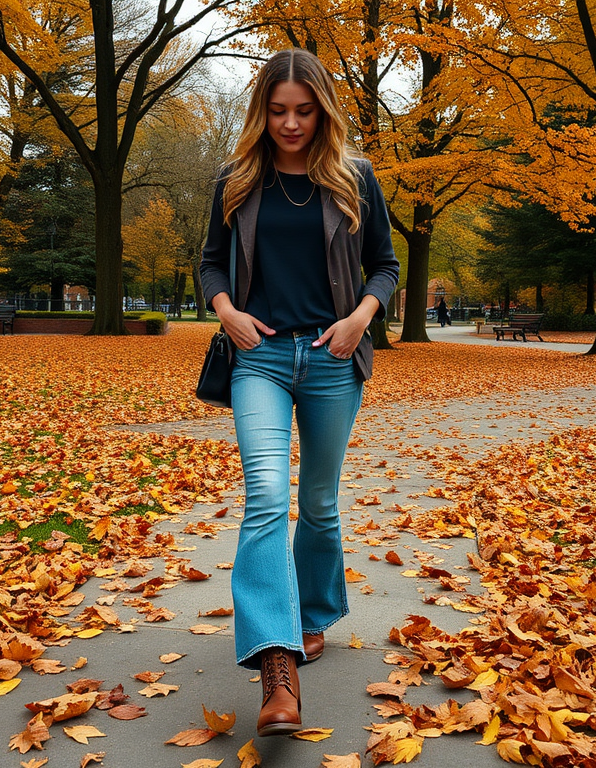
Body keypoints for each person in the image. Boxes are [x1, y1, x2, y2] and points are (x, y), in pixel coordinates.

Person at [199, 49, 399, 737]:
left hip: (332, 356)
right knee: (265, 495)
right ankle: (275, 662)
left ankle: (313, 617)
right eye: (279, 110)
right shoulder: (236, 178)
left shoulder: (355, 177)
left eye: (303, 111)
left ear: (322, 111)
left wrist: (359, 319)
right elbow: (208, 263)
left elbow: (385, 265)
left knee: (317, 504)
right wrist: (225, 310)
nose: (290, 123)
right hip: (258, 357)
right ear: (263, 110)